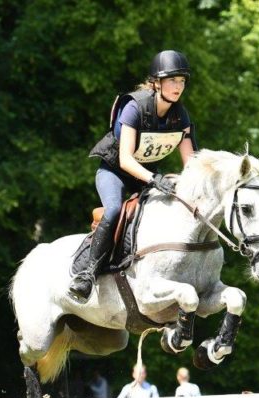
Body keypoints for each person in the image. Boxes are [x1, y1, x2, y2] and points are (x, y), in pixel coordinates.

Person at [68, 50, 197, 302]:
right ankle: (87, 274)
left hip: (146, 175)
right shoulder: (134, 107)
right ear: (156, 83)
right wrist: (154, 179)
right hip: (115, 171)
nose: (178, 86)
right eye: (172, 80)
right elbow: (126, 159)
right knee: (114, 209)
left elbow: (191, 162)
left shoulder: (181, 115)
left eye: (182, 81)